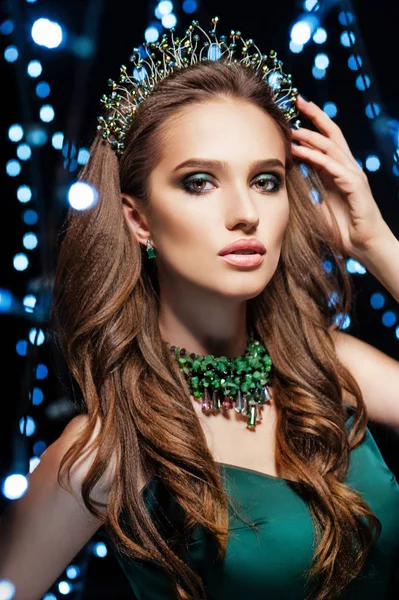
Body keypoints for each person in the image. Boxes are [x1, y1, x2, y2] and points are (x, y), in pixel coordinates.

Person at [1, 16, 399, 600]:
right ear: (138, 219)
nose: (246, 212)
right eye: (199, 182)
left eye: (266, 180)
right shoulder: (106, 449)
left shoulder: (333, 367)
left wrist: (378, 245)